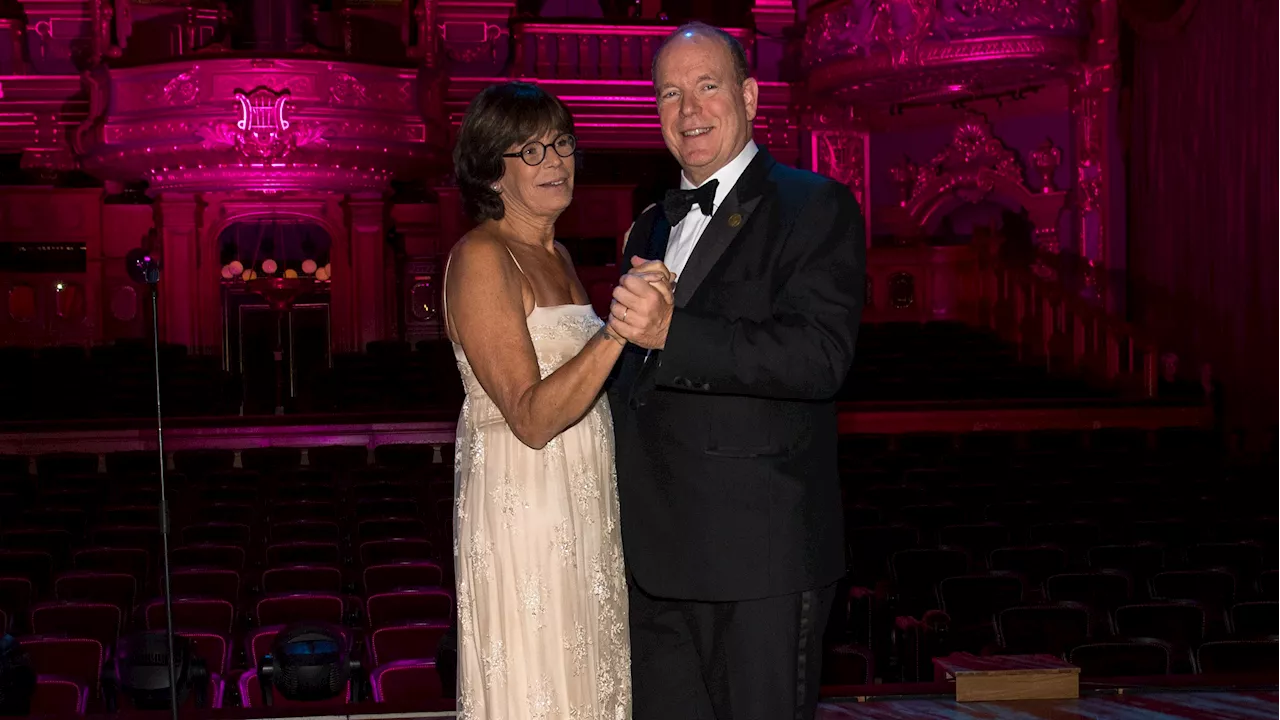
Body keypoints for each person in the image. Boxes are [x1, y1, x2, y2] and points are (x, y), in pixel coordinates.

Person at [607, 22, 866, 720]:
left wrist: (673, 334)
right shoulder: (651, 224)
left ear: (750, 97)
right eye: (669, 94)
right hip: (655, 559)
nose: (688, 111)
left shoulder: (814, 205)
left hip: (758, 559)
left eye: (707, 87)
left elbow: (820, 358)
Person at [445, 81, 672, 719]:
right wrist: (618, 330)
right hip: (529, 509)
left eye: (563, 145)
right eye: (533, 151)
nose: (557, 162)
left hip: (584, 504)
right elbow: (532, 416)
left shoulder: (560, 255)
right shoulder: (483, 257)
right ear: (492, 169)